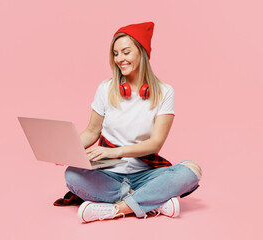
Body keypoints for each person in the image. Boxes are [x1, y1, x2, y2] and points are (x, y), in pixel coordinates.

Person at [63, 22, 202, 223]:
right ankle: (155, 201)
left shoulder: (165, 92)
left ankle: (114, 209)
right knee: (72, 176)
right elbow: (92, 131)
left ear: (142, 52)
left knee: (191, 170)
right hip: (108, 174)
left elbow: (155, 144)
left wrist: (115, 151)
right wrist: (67, 148)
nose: (120, 59)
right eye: (116, 54)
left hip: (146, 173)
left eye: (126, 52)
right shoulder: (105, 88)